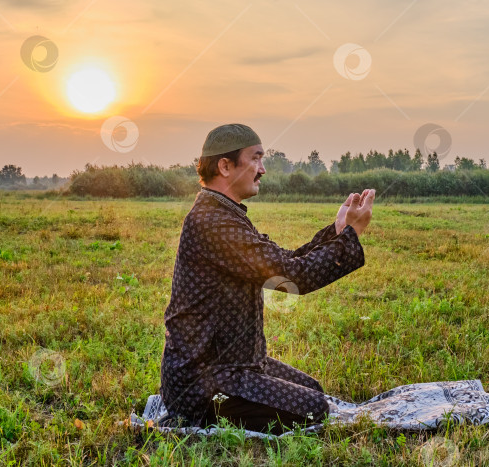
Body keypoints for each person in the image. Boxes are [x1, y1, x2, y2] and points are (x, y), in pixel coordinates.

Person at [159, 123, 375, 435]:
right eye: (257, 158)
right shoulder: (213, 222)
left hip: (238, 363)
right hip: (205, 380)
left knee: (313, 391)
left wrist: (338, 233)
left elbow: (286, 261)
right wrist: (352, 236)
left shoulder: (224, 215)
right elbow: (293, 276)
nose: (263, 169)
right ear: (225, 165)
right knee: (314, 410)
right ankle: (199, 414)